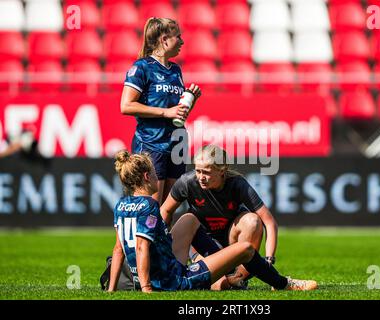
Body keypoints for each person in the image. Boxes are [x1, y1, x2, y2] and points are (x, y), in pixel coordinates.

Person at [107, 150, 317, 292]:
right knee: (245, 249)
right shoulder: (150, 205)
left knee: (188, 218)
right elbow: (142, 246)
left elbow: (118, 249)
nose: (157, 177)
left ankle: (228, 278)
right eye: (154, 174)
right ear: (146, 177)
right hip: (173, 280)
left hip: (159, 272)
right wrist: (146, 290)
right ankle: (282, 283)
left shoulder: (121, 205)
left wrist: (111, 290)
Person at [160, 144, 278, 289]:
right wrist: (160, 243)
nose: (201, 177)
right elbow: (165, 211)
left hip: (231, 243)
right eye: (198, 171)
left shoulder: (237, 184)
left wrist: (269, 260)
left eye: (206, 172)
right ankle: (222, 278)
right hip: (202, 247)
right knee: (219, 285)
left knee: (252, 221)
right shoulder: (186, 182)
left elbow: (269, 222)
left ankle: (239, 276)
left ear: (222, 171)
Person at [120, 17, 201, 204]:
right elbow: (126, 106)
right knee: (151, 208)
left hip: (176, 145)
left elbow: (177, 112)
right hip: (151, 144)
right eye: (178, 37)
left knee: (168, 211)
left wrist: (190, 101)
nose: (182, 41)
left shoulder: (175, 70)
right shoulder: (141, 68)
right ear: (164, 40)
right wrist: (166, 112)